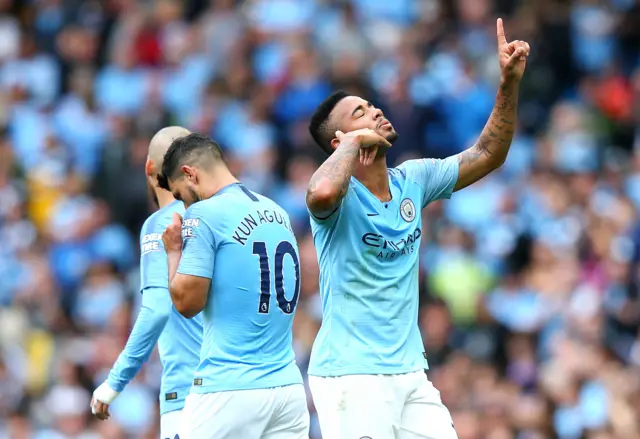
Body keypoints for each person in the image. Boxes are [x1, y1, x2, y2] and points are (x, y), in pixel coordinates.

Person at [304, 19, 529, 439]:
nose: (375, 110)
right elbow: (317, 194)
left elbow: (488, 153)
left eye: (371, 104)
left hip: (410, 372)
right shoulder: (338, 197)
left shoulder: (415, 179)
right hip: (352, 377)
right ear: (340, 141)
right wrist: (352, 146)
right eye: (361, 112)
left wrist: (508, 82)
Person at [157, 133, 309, 439]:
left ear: (190, 174)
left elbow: (186, 303)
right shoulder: (277, 211)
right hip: (288, 388)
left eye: (181, 194)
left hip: (229, 387)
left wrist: (173, 252)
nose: (184, 205)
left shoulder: (205, 214)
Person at [90, 126, 203, 439]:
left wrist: (114, 383)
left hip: (190, 395)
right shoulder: (221, 216)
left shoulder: (162, 223)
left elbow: (156, 310)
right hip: (244, 388)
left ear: (149, 168)